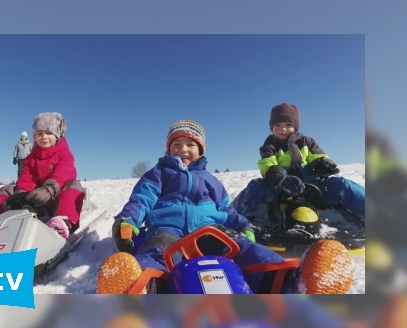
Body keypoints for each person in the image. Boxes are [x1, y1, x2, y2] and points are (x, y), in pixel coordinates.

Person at [96, 119, 354, 295]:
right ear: (168, 149)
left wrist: (243, 226)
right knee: (156, 251)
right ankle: (138, 285)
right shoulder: (159, 173)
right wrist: (127, 220)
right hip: (168, 227)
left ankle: (291, 282)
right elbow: (142, 198)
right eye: (176, 145)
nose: (183, 150)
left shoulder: (210, 179)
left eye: (190, 145)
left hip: (212, 228)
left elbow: (227, 209)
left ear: (200, 150)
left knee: (247, 249)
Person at [231, 102, 365, 222]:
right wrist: (280, 178)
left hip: (311, 187)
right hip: (280, 189)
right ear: (272, 127)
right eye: (278, 125)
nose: (283, 129)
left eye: (288, 125)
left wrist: (322, 164)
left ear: (295, 126)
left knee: (343, 185)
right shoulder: (270, 145)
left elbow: (317, 156)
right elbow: (267, 164)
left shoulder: (307, 142)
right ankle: (232, 216)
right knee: (256, 187)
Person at [0, 112, 85, 239]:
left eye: (49, 133)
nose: (43, 137)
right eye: (39, 134)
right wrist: (21, 195)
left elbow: (64, 172)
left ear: (57, 135)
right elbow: (27, 177)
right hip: (35, 202)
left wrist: (49, 190)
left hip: (55, 201)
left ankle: (63, 223)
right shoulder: (30, 158)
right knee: (5, 190)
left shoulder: (64, 154)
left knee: (74, 185)